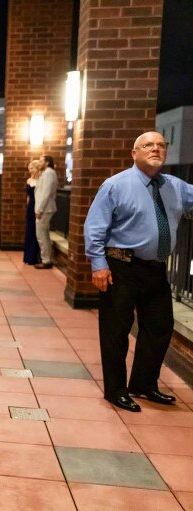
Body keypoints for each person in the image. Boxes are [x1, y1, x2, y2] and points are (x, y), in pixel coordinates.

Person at [84, 131, 193, 413]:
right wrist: (98, 264)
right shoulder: (116, 185)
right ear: (135, 153)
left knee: (159, 327)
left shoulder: (176, 187)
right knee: (115, 331)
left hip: (156, 270)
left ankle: (143, 385)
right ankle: (116, 390)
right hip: (121, 268)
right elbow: (95, 228)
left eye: (161, 145)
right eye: (148, 145)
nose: (155, 149)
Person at [34, 155, 58, 269]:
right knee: (44, 234)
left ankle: (46, 260)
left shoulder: (49, 173)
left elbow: (45, 192)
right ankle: (47, 258)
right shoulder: (46, 173)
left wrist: (40, 209)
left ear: (47, 162)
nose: (39, 163)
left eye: (41, 161)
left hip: (45, 209)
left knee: (41, 235)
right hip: (45, 208)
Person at [23, 160, 41, 265]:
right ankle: (28, 257)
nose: (30, 171)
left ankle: (34, 257)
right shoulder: (29, 180)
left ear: (37, 168)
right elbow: (28, 196)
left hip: (37, 204)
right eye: (29, 169)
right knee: (29, 230)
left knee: (35, 231)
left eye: (32, 168)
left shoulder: (41, 180)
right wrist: (27, 207)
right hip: (30, 206)